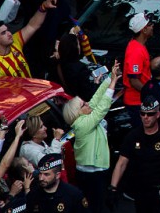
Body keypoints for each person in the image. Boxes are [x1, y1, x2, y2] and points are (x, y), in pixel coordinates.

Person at [61, 61, 120, 213]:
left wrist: (109, 78)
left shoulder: (82, 118)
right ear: (77, 113)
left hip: (93, 171)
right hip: (92, 174)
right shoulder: (82, 124)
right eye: (83, 105)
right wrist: (113, 83)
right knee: (96, 208)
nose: (87, 104)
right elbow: (102, 107)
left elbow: (95, 99)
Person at [109, 97, 160, 213]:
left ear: (158, 114)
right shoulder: (132, 136)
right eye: (143, 114)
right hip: (141, 191)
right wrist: (112, 188)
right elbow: (121, 163)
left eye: (150, 114)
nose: (146, 117)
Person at [0, 0, 57, 78]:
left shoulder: (15, 41)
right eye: (3, 33)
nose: (9, 33)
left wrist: (44, 6)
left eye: (7, 30)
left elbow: (32, 25)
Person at [25, 154, 90, 213]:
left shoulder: (74, 195)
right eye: (40, 174)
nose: (41, 178)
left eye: (46, 174)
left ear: (57, 175)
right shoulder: (34, 194)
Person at [123, 12, 154, 126]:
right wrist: (150, 93)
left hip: (140, 100)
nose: (152, 26)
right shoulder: (136, 51)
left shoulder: (139, 46)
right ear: (143, 30)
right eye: (149, 25)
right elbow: (134, 80)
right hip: (137, 102)